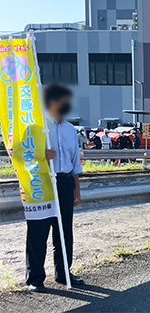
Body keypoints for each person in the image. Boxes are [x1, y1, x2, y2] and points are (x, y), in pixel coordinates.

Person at [26, 83, 84, 292]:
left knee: (64, 230)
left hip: (65, 182)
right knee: (38, 229)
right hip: (42, 182)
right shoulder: (36, 126)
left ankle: (64, 273)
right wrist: (42, 156)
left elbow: (75, 161)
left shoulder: (70, 129)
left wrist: (76, 188)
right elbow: (23, 156)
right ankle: (35, 278)